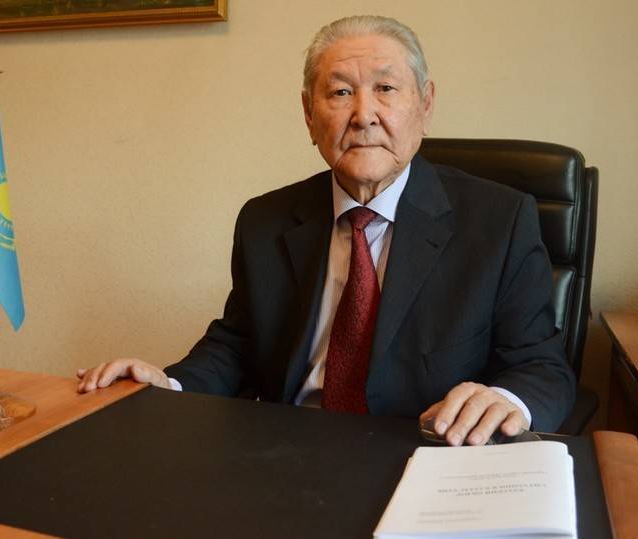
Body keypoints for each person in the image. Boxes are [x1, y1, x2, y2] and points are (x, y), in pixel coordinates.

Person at [77, 15, 576, 445]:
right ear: (309, 115)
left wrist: (505, 399)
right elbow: (237, 345)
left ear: (425, 105)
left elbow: (542, 367)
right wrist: (169, 387)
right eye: (340, 93)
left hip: (423, 454)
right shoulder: (265, 220)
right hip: (287, 455)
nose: (363, 116)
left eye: (386, 89)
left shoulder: (500, 220)